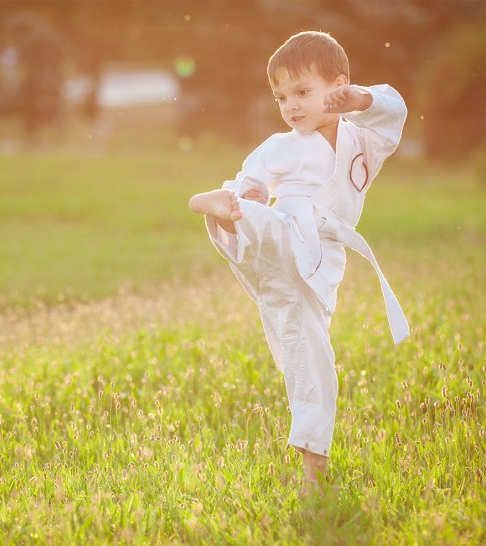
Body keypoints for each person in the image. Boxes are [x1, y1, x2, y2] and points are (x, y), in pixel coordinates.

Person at [188, 31, 410, 489]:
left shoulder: (363, 141)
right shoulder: (280, 145)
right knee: (253, 213)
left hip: (322, 258)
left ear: (339, 86)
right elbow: (253, 173)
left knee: (309, 355)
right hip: (283, 233)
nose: (291, 105)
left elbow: (395, 112)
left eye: (302, 92)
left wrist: (362, 99)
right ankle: (227, 211)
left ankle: (314, 465)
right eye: (281, 96)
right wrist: (247, 191)